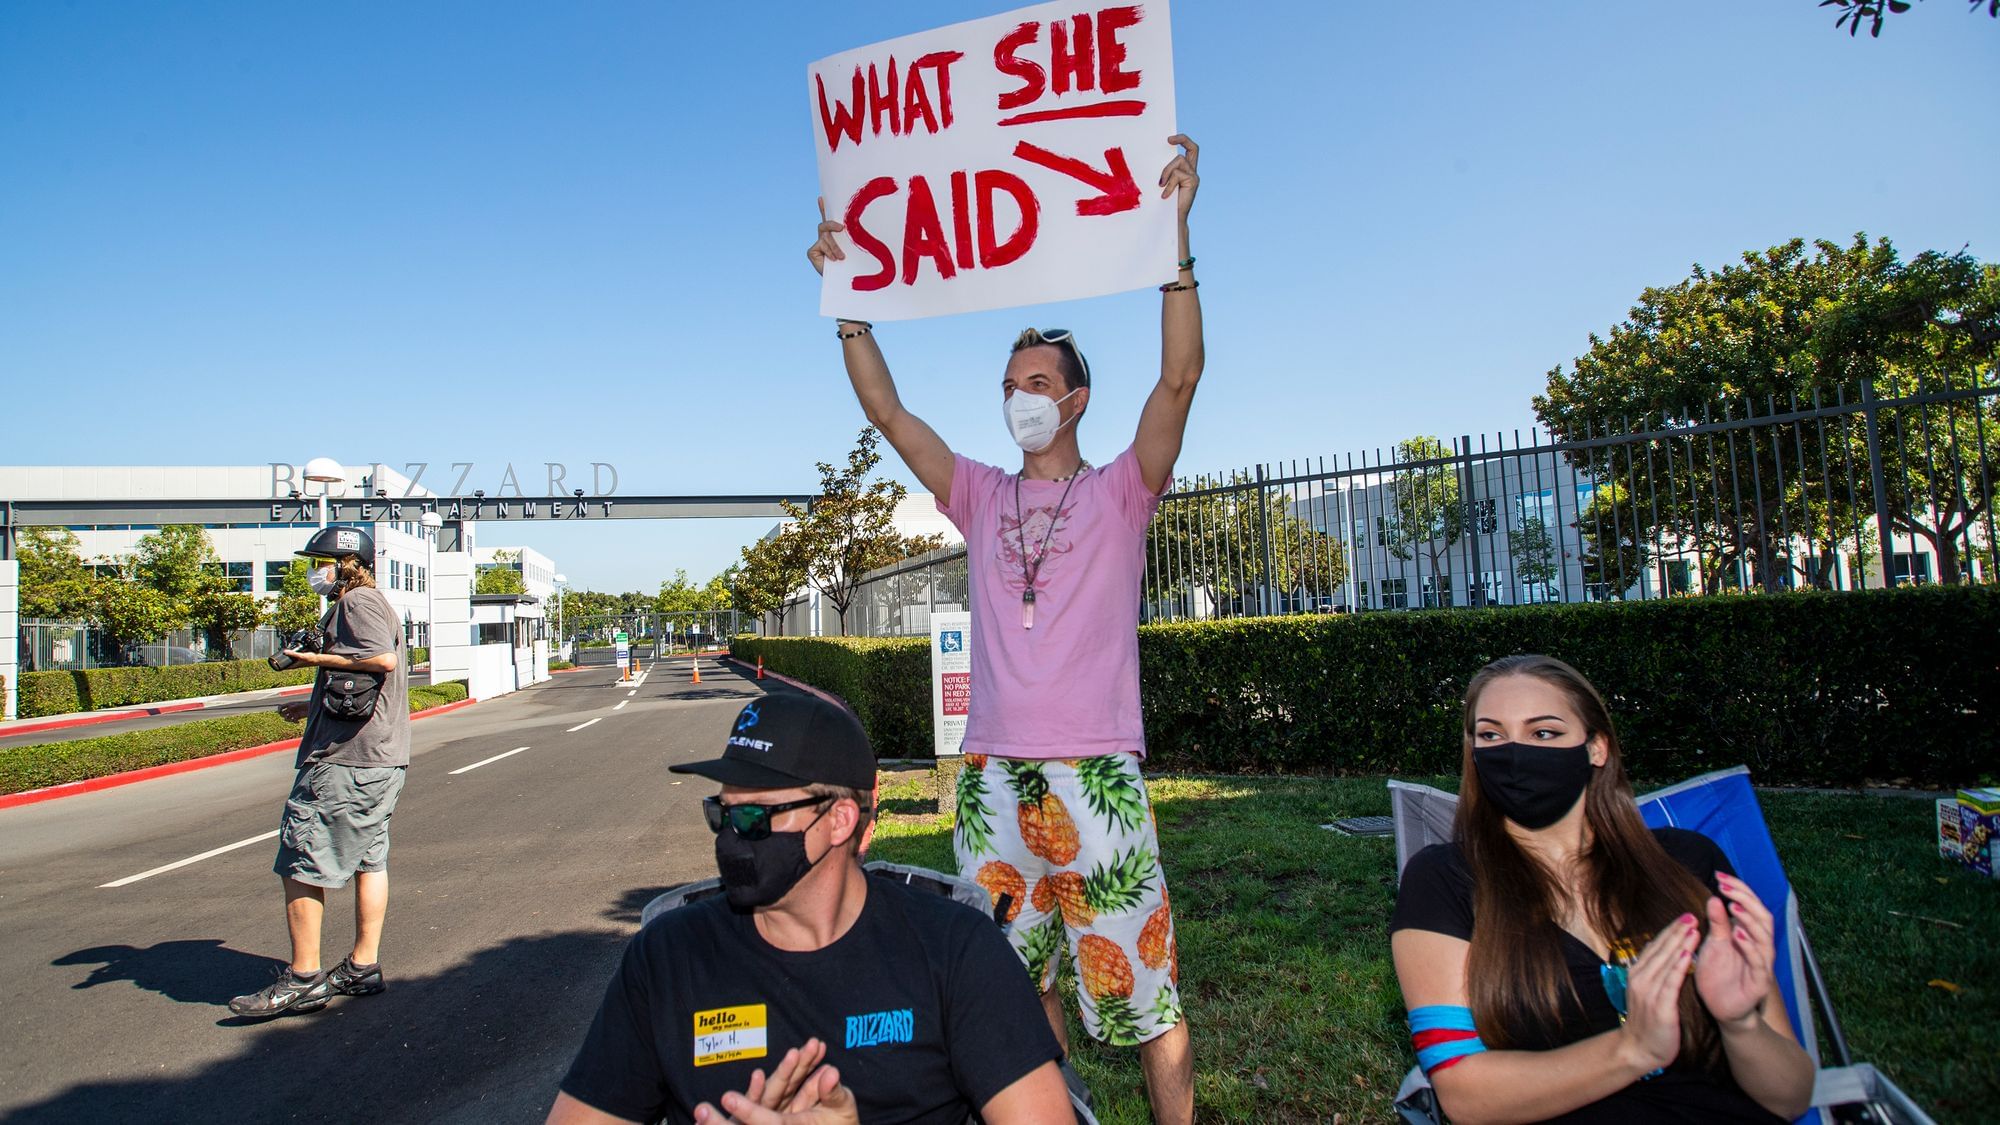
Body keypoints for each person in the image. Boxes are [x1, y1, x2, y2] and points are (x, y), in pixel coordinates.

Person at [805, 134, 1201, 1125]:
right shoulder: (976, 496)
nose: (1017, 397)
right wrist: (847, 306)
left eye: (1034, 383)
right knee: (1017, 993)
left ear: (1072, 398)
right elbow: (890, 414)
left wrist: (1173, 248)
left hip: (1095, 773)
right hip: (987, 780)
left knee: (1145, 1000)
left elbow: (1178, 383)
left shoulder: (1120, 492)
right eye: (1007, 383)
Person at [547, 691, 1074, 1125]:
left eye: (756, 817)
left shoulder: (953, 948)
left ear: (840, 820)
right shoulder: (666, 959)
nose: (733, 838)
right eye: (723, 814)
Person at [1389, 655, 1815, 1123]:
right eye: (1491, 735)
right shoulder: (1445, 881)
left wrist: (1741, 1023)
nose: (1514, 753)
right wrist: (1632, 1050)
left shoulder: (1687, 863)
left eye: (1543, 733)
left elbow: (1790, 1098)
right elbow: (1464, 1097)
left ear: (1596, 748)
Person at [229, 525, 410, 1018]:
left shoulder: (358, 604)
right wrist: (311, 705)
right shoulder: (369, 603)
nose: (314, 571)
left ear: (344, 564)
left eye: (319, 562)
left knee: (302, 857)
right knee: (370, 861)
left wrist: (310, 658)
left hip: (346, 763)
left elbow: (380, 659)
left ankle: (304, 978)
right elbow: (359, 678)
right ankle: (361, 967)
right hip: (377, 758)